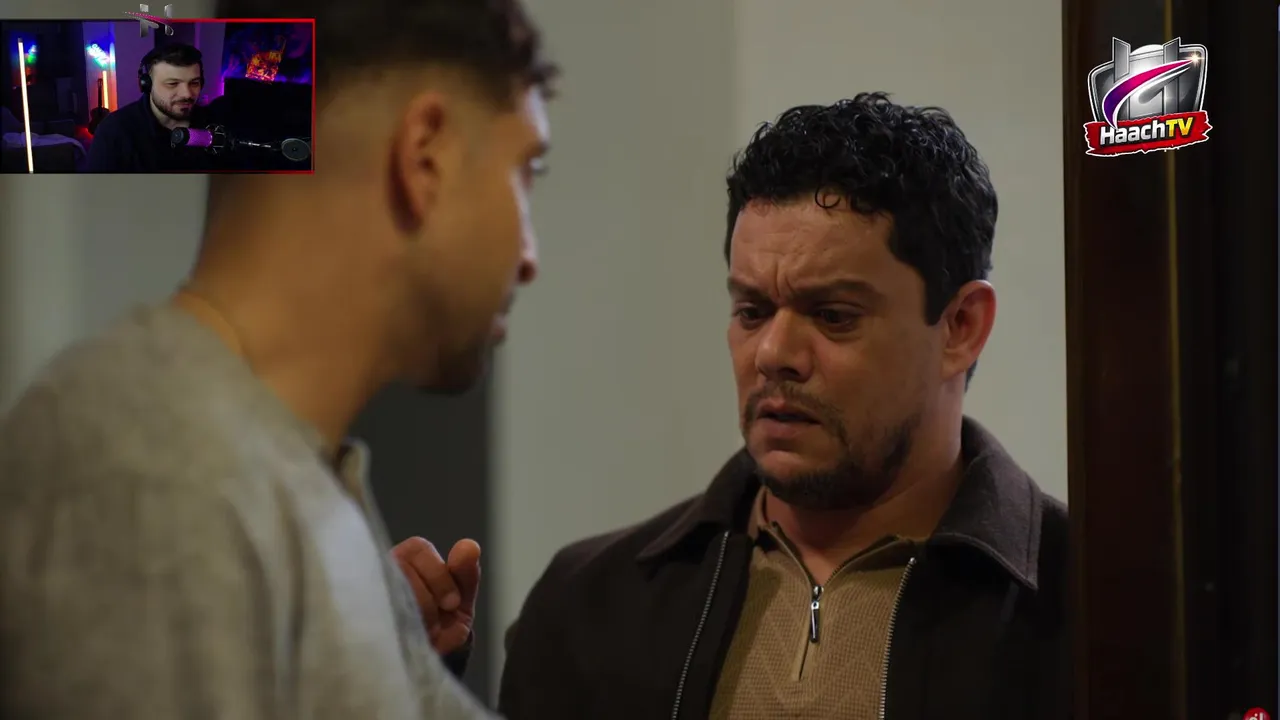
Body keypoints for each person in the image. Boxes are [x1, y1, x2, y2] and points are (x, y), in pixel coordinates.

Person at [406, 93, 1069, 719]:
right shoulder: (590, 606)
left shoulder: (1092, 604)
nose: (773, 353)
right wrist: (398, 680)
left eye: (833, 316)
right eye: (752, 311)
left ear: (960, 327)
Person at [0, 0, 553, 717]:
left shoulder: (283, 479)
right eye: (525, 172)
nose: (530, 255)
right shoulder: (154, 473)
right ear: (425, 156)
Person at [84, 42, 215, 172]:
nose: (187, 94)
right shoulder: (113, 131)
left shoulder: (213, 122)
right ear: (147, 85)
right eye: (173, 84)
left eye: (194, 83)